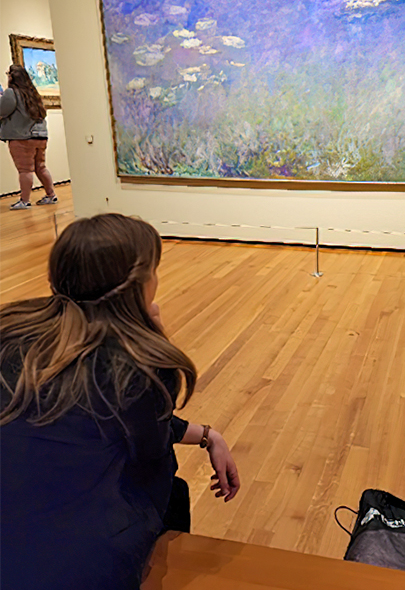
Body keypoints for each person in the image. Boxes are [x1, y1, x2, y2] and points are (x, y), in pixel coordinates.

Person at [0, 213, 240, 589]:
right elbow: (150, 452)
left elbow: (97, 417)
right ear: (140, 285)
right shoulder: (137, 366)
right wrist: (155, 338)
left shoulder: (14, 330)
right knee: (170, 489)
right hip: (69, 567)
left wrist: (208, 435)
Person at [0, 64, 57, 209]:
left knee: (24, 170)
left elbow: (2, 110)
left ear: (12, 77)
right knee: (41, 167)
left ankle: (24, 201)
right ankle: (51, 195)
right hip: (40, 136)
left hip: (22, 137)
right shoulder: (32, 93)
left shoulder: (11, 93)